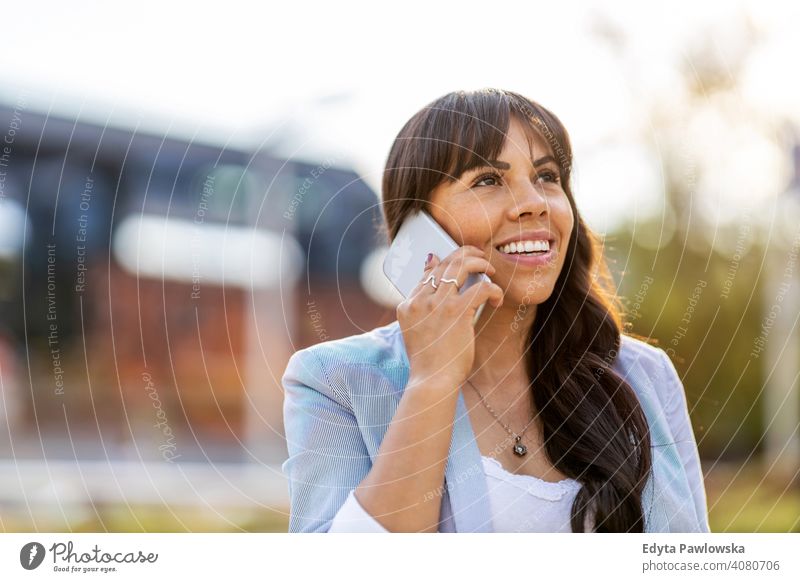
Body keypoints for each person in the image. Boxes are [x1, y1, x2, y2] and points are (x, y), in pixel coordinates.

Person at [281, 88, 710, 533]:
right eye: (487, 180)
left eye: (547, 177)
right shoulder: (336, 381)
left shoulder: (643, 376)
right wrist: (432, 381)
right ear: (416, 230)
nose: (536, 202)